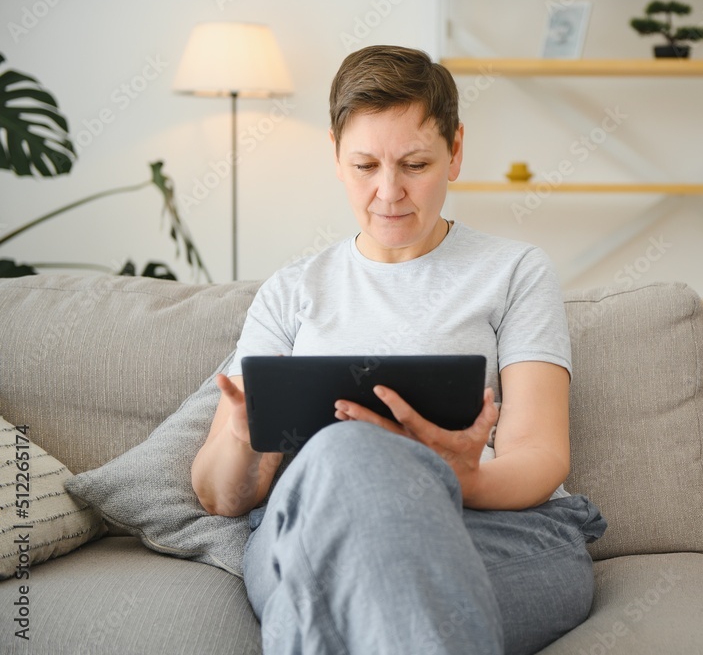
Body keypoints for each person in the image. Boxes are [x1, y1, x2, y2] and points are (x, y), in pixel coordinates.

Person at [191, 44, 606, 655]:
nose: (389, 193)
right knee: (348, 459)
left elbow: (541, 454)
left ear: (455, 151)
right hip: (311, 526)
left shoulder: (515, 272)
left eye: (415, 164)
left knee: (334, 585)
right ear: (335, 155)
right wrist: (242, 440)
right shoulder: (290, 293)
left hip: (489, 527)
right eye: (365, 166)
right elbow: (219, 496)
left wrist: (460, 477)